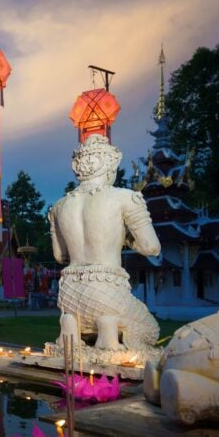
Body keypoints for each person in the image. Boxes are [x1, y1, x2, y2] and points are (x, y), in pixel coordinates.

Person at [49, 134, 160, 350]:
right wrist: (126, 239)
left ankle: (69, 325)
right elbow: (151, 247)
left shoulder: (59, 206)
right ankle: (108, 327)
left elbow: (60, 256)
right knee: (151, 329)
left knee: (74, 316)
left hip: (69, 295)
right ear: (110, 164)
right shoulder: (126, 197)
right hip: (107, 291)